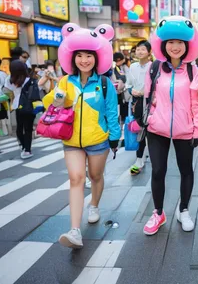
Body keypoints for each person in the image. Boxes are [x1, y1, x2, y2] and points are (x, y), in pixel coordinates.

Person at [42, 23, 120, 248]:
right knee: (76, 179)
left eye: (89, 56)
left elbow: (112, 113)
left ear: (97, 58)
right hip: (71, 139)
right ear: (72, 58)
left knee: (95, 176)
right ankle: (75, 231)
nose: (84, 60)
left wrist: (114, 138)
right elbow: (52, 105)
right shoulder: (65, 81)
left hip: (98, 140)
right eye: (80, 56)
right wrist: (57, 97)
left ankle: (94, 204)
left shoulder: (105, 84)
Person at [143, 16, 198, 236]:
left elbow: (197, 104)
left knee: (186, 170)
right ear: (163, 44)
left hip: (184, 130)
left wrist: (196, 129)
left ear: (187, 45)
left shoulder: (192, 71)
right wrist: (150, 117)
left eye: (180, 42)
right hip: (156, 129)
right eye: (171, 42)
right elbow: (149, 98)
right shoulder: (154, 68)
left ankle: (184, 210)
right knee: (158, 170)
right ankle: (158, 212)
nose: (175, 46)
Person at [4, 61, 40, 159]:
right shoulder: (30, 79)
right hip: (30, 106)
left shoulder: (9, 79)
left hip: (17, 105)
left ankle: (23, 147)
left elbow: (7, 92)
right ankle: (27, 150)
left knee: (19, 127)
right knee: (28, 128)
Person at [126, 40, 152, 174]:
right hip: (137, 102)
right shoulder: (133, 66)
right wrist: (131, 91)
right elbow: (128, 84)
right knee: (139, 129)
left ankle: (148, 156)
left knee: (150, 130)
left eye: (143, 49)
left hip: (150, 102)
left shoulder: (153, 66)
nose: (140, 52)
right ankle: (139, 159)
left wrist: (145, 93)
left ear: (149, 52)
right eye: (138, 49)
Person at [112, 52, 130, 124]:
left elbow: (127, 77)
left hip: (123, 93)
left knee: (123, 109)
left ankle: (122, 121)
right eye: (116, 60)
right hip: (115, 92)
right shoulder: (112, 68)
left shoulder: (123, 67)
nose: (118, 62)